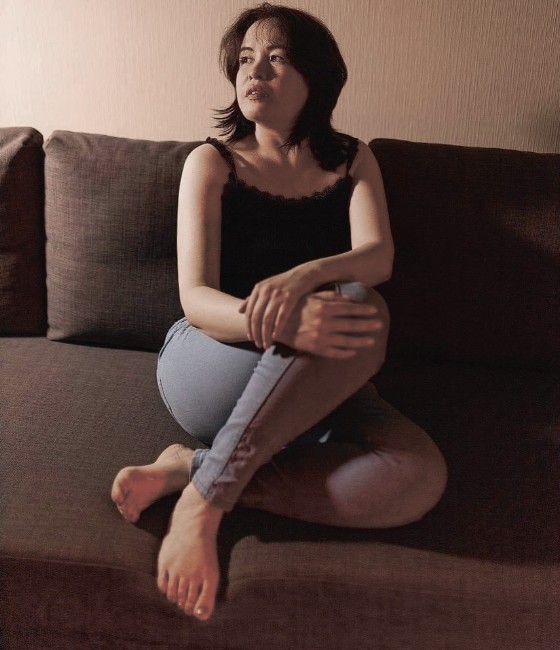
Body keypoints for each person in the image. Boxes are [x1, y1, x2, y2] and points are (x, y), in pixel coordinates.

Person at [111, 2, 447, 623]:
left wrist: (305, 276)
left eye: (276, 57)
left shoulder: (352, 158)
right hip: (216, 356)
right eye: (244, 59)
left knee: (418, 474)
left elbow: (377, 258)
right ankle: (206, 504)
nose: (253, 71)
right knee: (357, 311)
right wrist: (279, 322)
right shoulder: (212, 161)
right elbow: (196, 297)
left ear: (316, 77)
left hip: (319, 375)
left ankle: (194, 471)